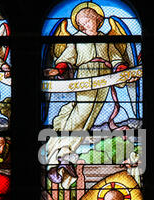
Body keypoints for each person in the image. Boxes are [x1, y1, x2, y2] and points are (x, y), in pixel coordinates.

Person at [44, 3, 133, 189]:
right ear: (79, 24)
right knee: (80, 115)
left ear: (98, 20)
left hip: (105, 80)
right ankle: (57, 158)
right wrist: (58, 70)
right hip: (86, 77)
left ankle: (65, 158)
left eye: (91, 17)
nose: (88, 21)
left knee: (88, 119)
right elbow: (67, 59)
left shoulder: (105, 39)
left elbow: (116, 58)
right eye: (84, 19)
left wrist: (121, 68)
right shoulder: (76, 39)